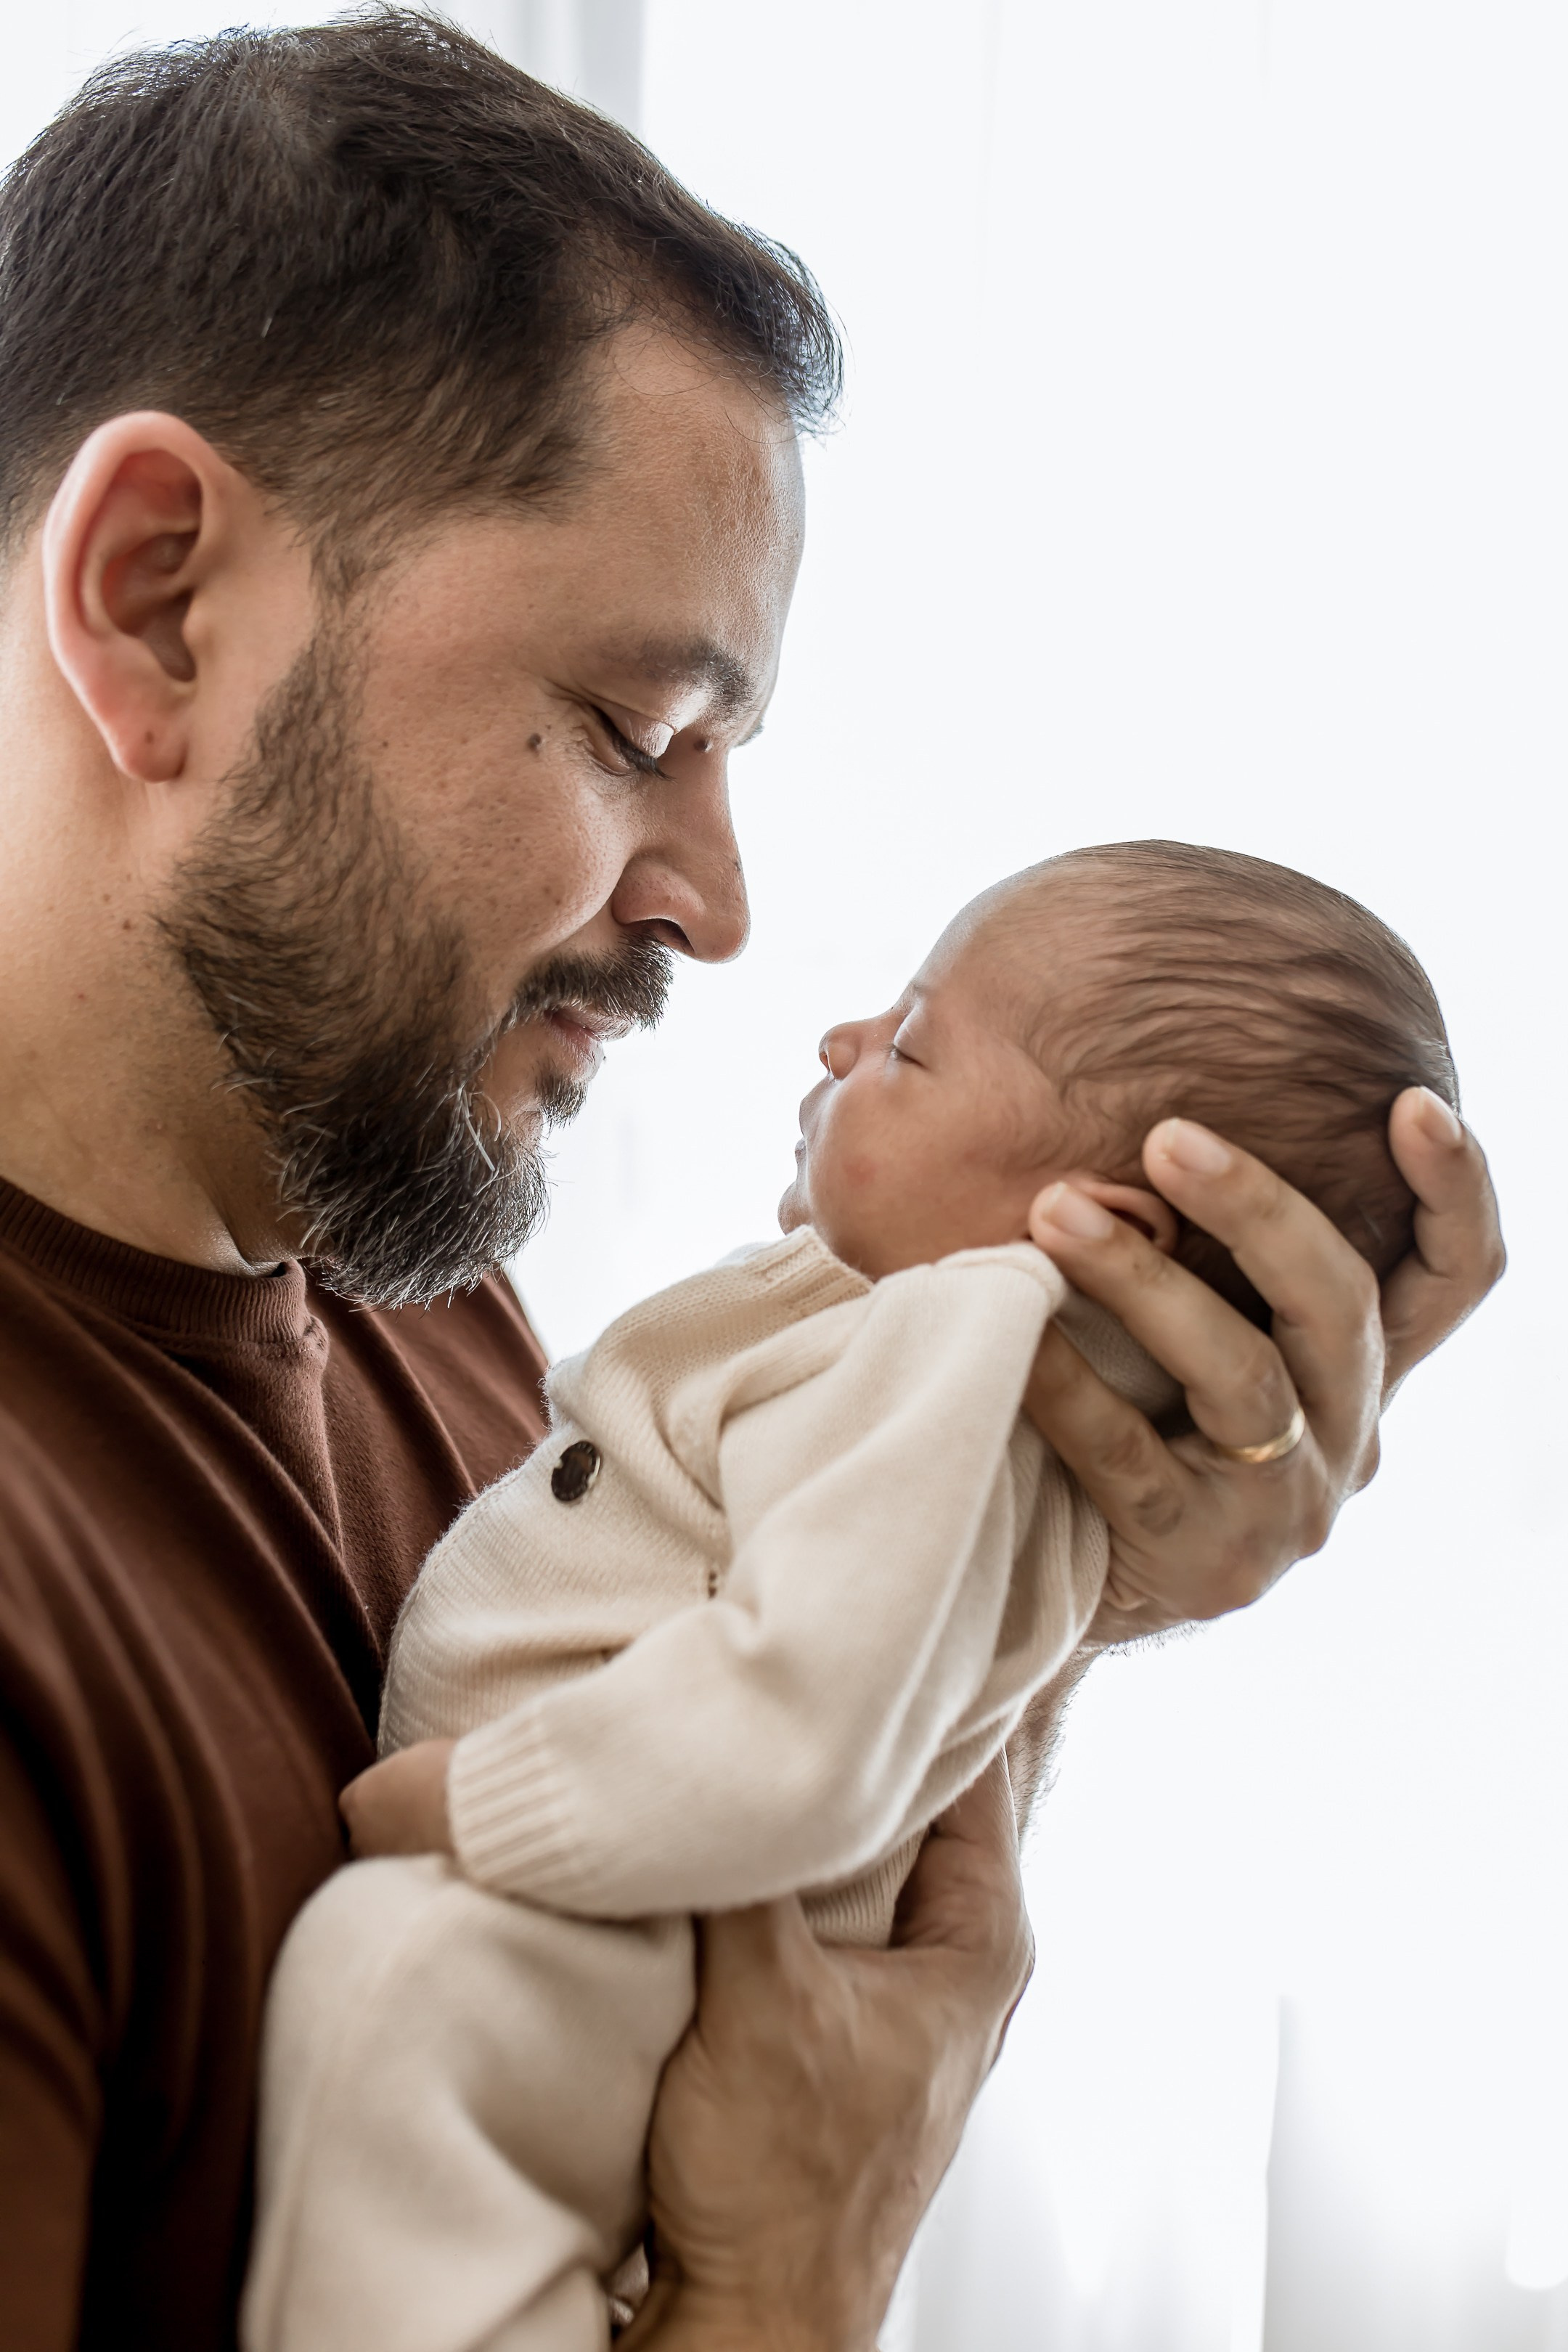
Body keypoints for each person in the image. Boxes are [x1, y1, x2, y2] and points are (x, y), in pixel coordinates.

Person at [0, 17, 1502, 2352]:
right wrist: (789, 2289)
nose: (714, 898)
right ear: (161, 598)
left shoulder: (421, 1281)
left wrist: (1063, 1566)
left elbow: (699, 1792)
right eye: (637, 733)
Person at [241, 840, 1467, 2352]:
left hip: (600, 1918)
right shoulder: (912, 1359)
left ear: (1098, 1232)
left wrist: (483, 1812)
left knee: (400, 1997)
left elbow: (806, 1717)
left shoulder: (943, 1339)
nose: (837, 1043)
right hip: (639, 1950)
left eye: (908, 1045)